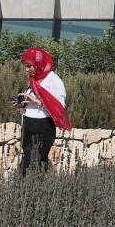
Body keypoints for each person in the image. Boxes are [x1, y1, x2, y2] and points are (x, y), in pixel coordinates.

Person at [12, 47, 72, 175]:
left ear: (39, 64)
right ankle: (39, 190)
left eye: (29, 66)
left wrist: (37, 102)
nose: (27, 69)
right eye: (25, 66)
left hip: (43, 126)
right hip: (29, 124)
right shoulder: (34, 79)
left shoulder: (54, 81)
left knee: (33, 162)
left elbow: (59, 107)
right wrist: (23, 102)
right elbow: (32, 101)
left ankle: (31, 190)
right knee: (33, 161)